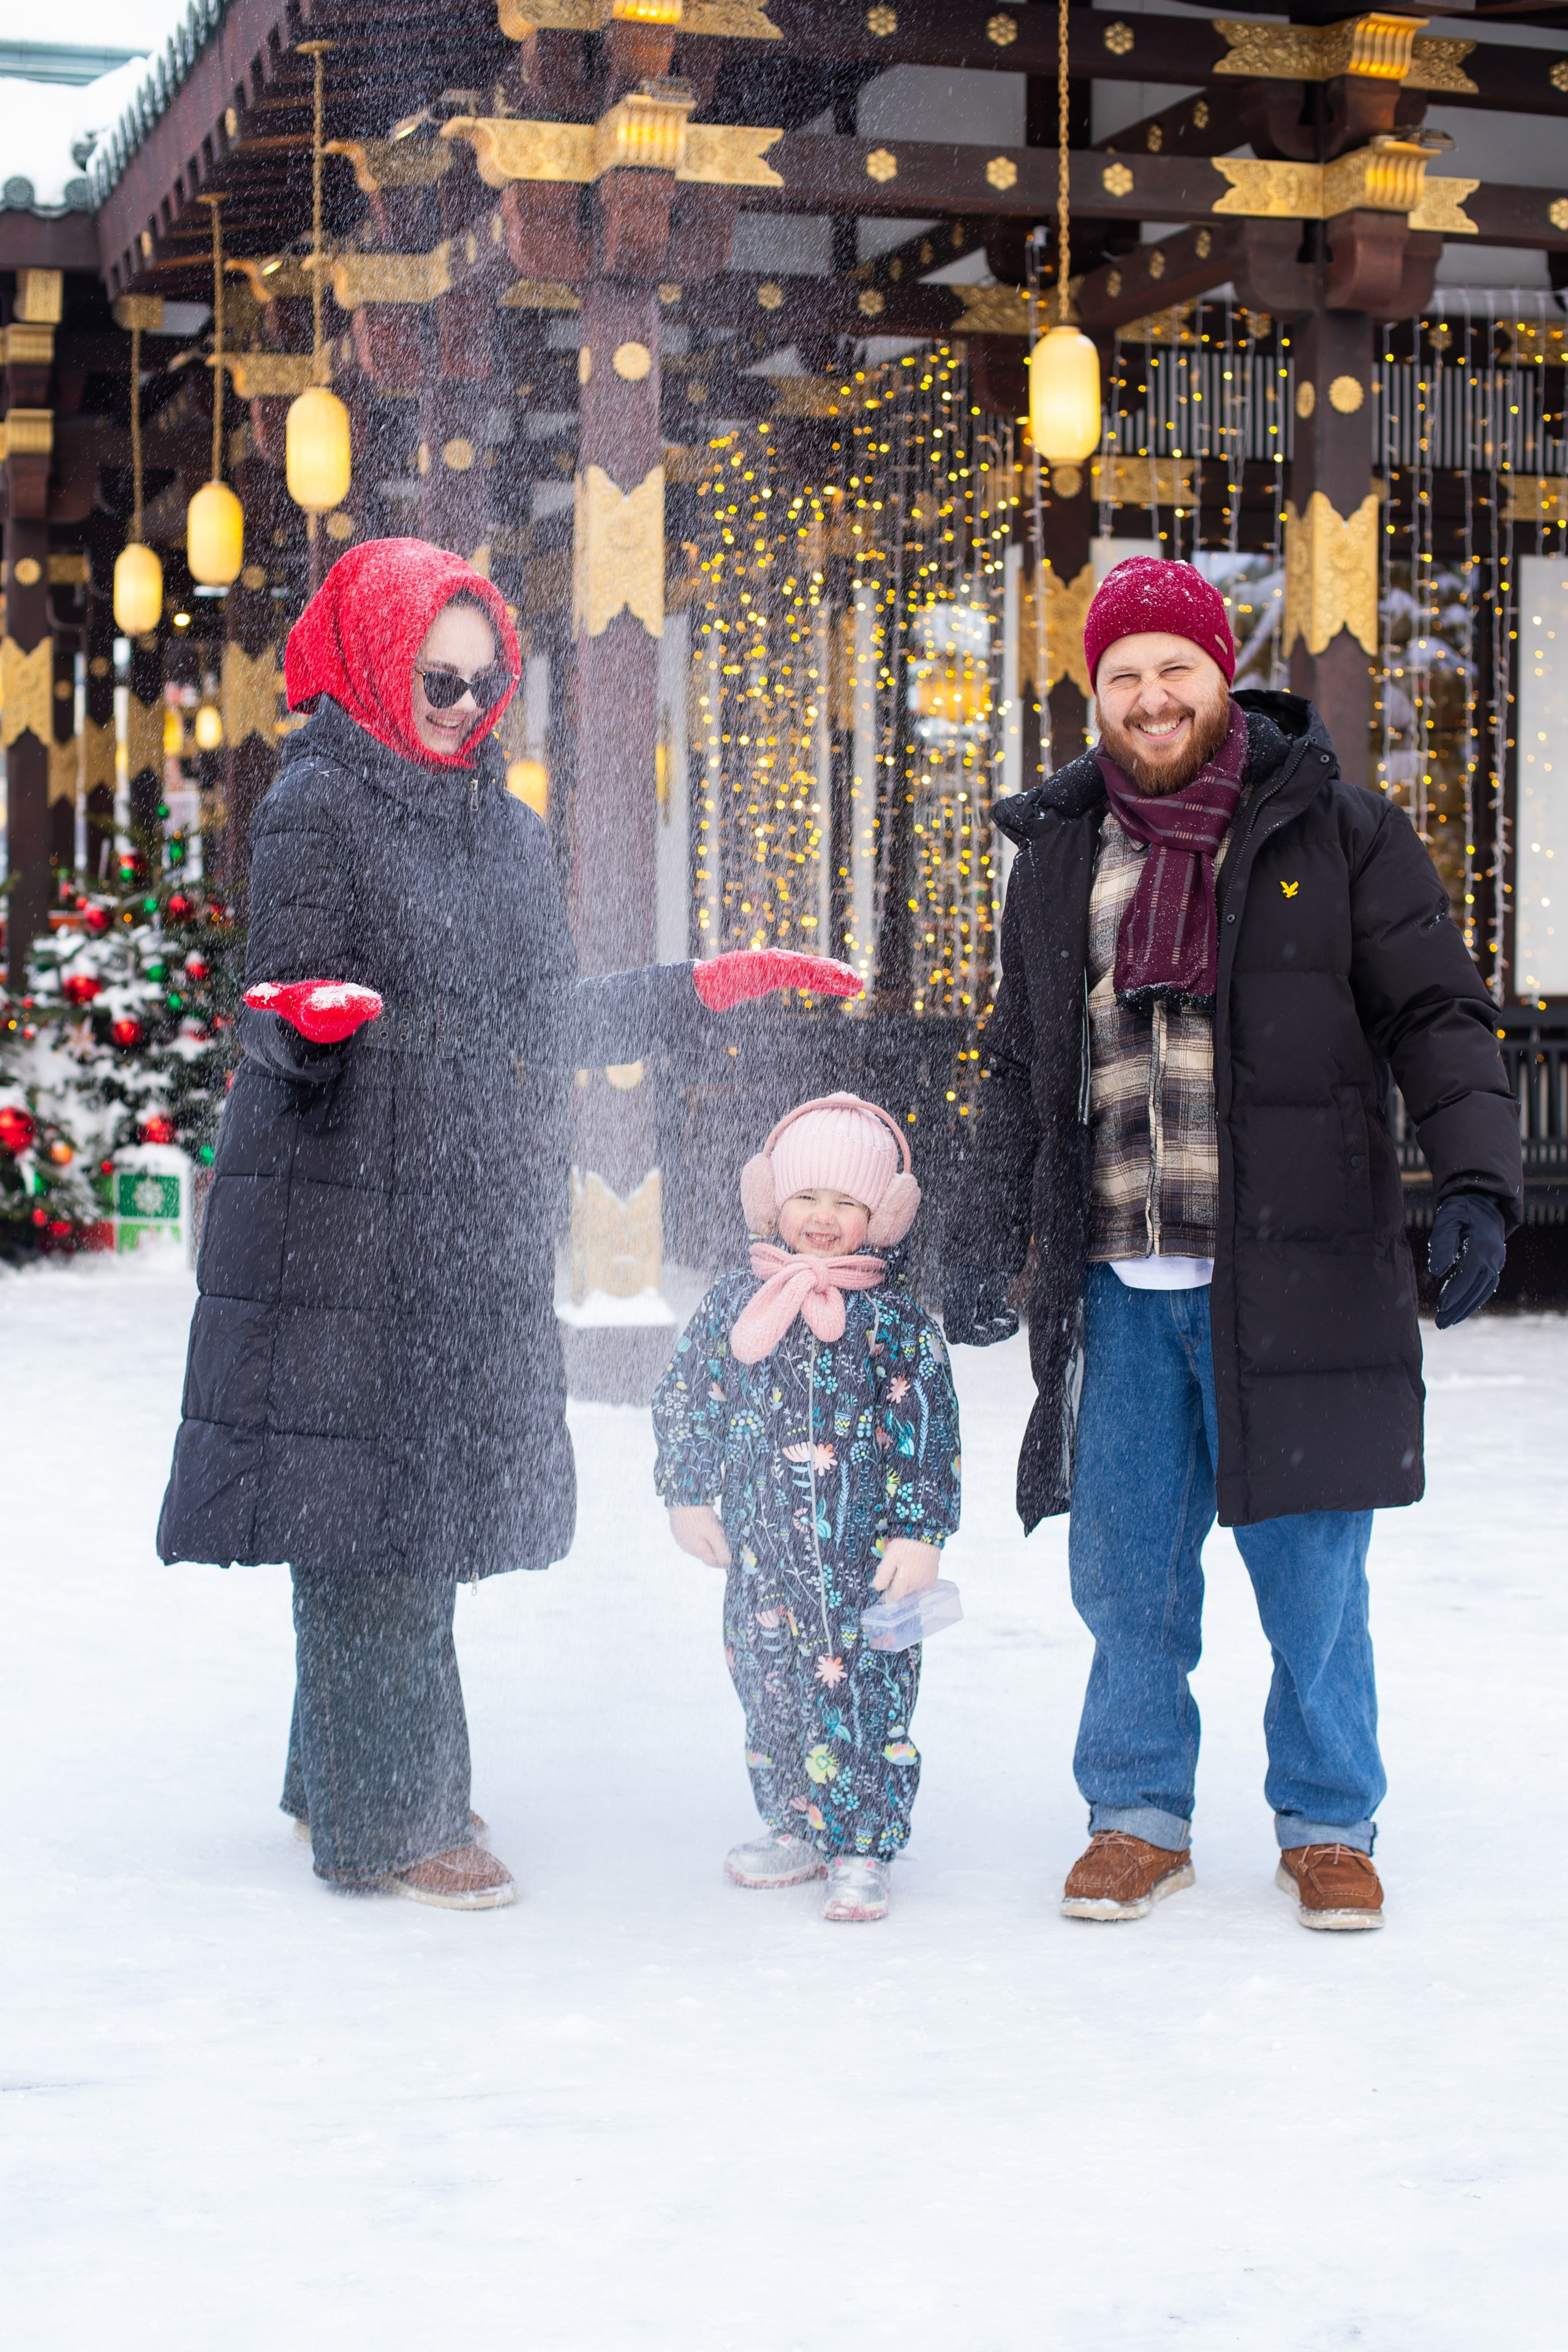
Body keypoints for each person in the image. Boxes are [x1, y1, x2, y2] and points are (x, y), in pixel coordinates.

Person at [156, 538, 859, 1911]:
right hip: (338, 1219)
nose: (462, 707)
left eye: (485, 686)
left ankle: (341, 1768)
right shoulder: (315, 806)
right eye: (436, 677)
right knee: (370, 1515)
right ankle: (389, 1816)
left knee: (398, 1502)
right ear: (370, 661)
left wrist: (696, 990)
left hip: (465, 1214)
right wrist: (301, 1025)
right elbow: (284, 1015)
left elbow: (539, 1024)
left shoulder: (503, 827)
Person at [944, 557, 1522, 1932]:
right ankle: (1134, 1811)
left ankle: (1328, 1818)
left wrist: (1478, 1183)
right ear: (1098, 698)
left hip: (1298, 1271)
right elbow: (1020, 1060)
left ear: (1221, 678)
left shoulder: (1342, 834)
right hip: (1115, 1275)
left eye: (1172, 670)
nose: (1149, 698)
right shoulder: (1061, 856)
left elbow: (1435, 1015)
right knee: (1125, 1570)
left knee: (1313, 1572)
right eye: (1122, 677)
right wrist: (976, 1232)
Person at [652, 1094, 960, 1924]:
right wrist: (686, 1491)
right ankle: (794, 1820)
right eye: (807, 1198)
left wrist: (921, 1531)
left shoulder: (893, 1325)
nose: (823, 1219)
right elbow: (689, 1397)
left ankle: (862, 1840)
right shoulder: (733, 1306)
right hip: (763, 1560)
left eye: (847, 1203)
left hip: (870, 1567)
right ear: (770, 1200)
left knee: (871, 1692)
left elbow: (926, 1430)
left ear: (882, 1215)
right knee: (770, 1686)